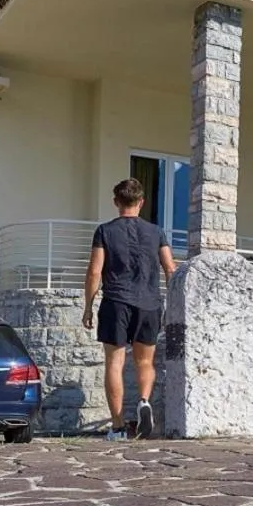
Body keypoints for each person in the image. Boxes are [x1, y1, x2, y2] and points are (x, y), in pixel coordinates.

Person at [83, 178, 177, 441]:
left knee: (115, 363)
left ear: (116, 202)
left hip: (116, 302)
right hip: (149, 304)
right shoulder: (156, 232)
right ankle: (144, 401)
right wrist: (172, 303)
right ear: (141, 202)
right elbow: (170, 268)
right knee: (144, 362)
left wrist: (88, 307)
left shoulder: (104, 231)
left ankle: (117, 427)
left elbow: (94, 271)